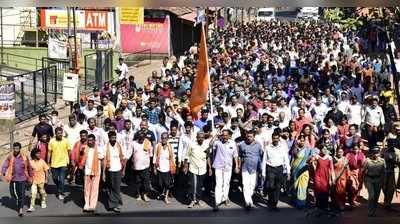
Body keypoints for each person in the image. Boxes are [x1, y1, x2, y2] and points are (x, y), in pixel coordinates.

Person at [1, 142, 32, 217]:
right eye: (14, 148)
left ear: (19, 149)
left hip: (23, 179)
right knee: (13, 194)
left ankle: (20, 210)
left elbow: (29, 167)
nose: (16, 150)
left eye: (17, 148)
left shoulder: (24, 157)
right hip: (13, 178)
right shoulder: (10, 156)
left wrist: (31, 176)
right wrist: (4, 171)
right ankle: (18, 201)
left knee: (22, 194)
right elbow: (5, 164)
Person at [212, 129, 240, 211]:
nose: (224, 137)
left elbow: (235, 155)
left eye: (226, 135)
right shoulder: (217, 142)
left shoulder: (232, 143)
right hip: (218, 166)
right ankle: (217, 202)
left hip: (228, 166)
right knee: (219, 184)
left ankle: (225, 198)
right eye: (223, 135)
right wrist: (215, 136)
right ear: (221, 135)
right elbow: (211, 146)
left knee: (226, 183)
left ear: (228, 136)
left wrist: (237, 166)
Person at [262, 131, 290, 211]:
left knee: (277, 187)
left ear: (279, 139)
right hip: (270, 168)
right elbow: (264, 160)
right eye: (274, 138)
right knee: (270, 186)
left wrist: (288, 171)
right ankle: (270, 200)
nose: (275, 140)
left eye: (277, 138)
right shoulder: (268, 147)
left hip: (279, 169)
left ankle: (274, 204)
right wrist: (263, 173)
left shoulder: (282, 147)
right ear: (272, 139)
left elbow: (286, 159)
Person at [184, 132, 210, 208]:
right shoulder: (192, 145)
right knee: (193, 185)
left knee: (200, 186)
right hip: (193, 169)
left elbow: (208, 157)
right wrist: (185, 166)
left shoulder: (206, 146)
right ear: (196, 137)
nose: (200, 139)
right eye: (199, 137)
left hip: (202, 169)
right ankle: (192, 200)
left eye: (202, 137)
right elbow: (187, 156)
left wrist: (210, 168)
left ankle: (198, 200)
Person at [79, 134, 103, 213]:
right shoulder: (85, 148)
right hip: (87, 171)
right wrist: (82, 151)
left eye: (91, 140)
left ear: (94, 141)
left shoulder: (99, 148)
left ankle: (92, 206)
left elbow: (102, 158)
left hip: (96, 171)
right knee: (87, 189)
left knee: (94, 189)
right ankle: (86, 205)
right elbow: (81, 156)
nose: (89, 142)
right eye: (88, 140)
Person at [102, 131, 126, 213]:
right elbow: (104, 161)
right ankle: (113, 205)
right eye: (112, 138)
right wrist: (103, 173)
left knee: (117, 187)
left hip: (118, 169)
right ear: (109, 138)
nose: (114, 139)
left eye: (115, 138)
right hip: (110, 170)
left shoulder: (119, 146)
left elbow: (122, 158)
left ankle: (115, 202)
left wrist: (123, 170)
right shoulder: (105, 147)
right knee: (112, 187)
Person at [291, 134, 315, 209]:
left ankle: (301, 203)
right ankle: (296, 200)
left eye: (303, 140)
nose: (301, 142)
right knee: (296, 186)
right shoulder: (295, 149)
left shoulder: (308, 149)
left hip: (304, 170)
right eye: (300, 140)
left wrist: (311, 160)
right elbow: (292, 159)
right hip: (295, 170)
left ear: (305, 141)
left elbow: (312, 156)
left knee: (303, 186)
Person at [309, 145, 335, 215]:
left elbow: (332, 169)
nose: (324, 150)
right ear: (320, 150)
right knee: (318, 190)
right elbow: (309, 161)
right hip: (318, 176)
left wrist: (333, 179)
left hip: (326, 177)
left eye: (325, 149)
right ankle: (318, 205)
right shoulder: (317, 156)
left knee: (325, 191)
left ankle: (325, 205)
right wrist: (312, 158)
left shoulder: (329, 158)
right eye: (323, 149)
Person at [47, 127, 70, 201]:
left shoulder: (66, 140)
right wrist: (48, 163)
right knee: (55, 178)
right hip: (54, 163)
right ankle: (59, 186)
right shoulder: (51, 141)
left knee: (62, 179)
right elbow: (49, 152)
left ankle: (60, 192)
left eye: (61, 133)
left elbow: (69, 151)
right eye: (58, 133)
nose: (60, 134)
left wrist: (69, 160)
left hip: (63, 163)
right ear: (55, 134)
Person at [363, 146, 386, 217]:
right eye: (374, 153)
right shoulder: (367, 160)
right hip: (369, 179)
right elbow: (363, 171)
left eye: (377, 153)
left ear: (379, 153)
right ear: (372, 153)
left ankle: (374, 211)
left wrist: (383, 182)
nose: (375, 154)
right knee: (372, 196)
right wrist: (364, 182)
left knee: (376, 197)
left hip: (378, 180)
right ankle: (370, 211)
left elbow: (384, 172)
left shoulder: (382, 161)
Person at [154, 132, 176, 204]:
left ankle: (166, 197)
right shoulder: (158, 146)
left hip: (167, 168)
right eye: (162, 138)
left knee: (167, 184)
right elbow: (155, 156)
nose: (164, 139)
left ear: (168, 139)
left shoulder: (170, 146)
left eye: (165, 138)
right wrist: (154, 167)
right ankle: (162, 193)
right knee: (160, 184)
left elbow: (173, 157)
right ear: (161, 138)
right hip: (159, 168)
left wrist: (173, 166)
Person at [131, 130, 153, 202]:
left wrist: (151, 166)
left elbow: (150, 154)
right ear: (138, 137)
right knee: (138, 182)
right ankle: (138, 194)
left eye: (143, 138)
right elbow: (130, 154)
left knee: (146, 182)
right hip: (136, 166)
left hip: (145, 166)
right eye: (140, 138)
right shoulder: (134, 143)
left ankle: (144, 194)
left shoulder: (147, 142)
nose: (141, 139)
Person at [27, 148, 49, 212]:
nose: (39, 155)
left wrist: (46, 179)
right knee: (33, 193)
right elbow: (28, 171)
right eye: (37, 153)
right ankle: (32, 206)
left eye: (39, 153)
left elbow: (46, 170)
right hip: (33, 180)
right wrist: (28, 179)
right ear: (34, 154)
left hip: (41, 179)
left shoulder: (42, 161)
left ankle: (43, 201)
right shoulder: (30, 162)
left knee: (42, 192)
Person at [382, 139, 400, 210]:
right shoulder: (384, 150)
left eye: (392, 143)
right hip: (385, 171)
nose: (391, 144)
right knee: (384, 187)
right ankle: (386, 199)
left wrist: (394, 161)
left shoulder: (398, 152)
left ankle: (388, 202)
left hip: (394, 171)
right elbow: (379, 159)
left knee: (391, 188)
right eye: (389, 143)